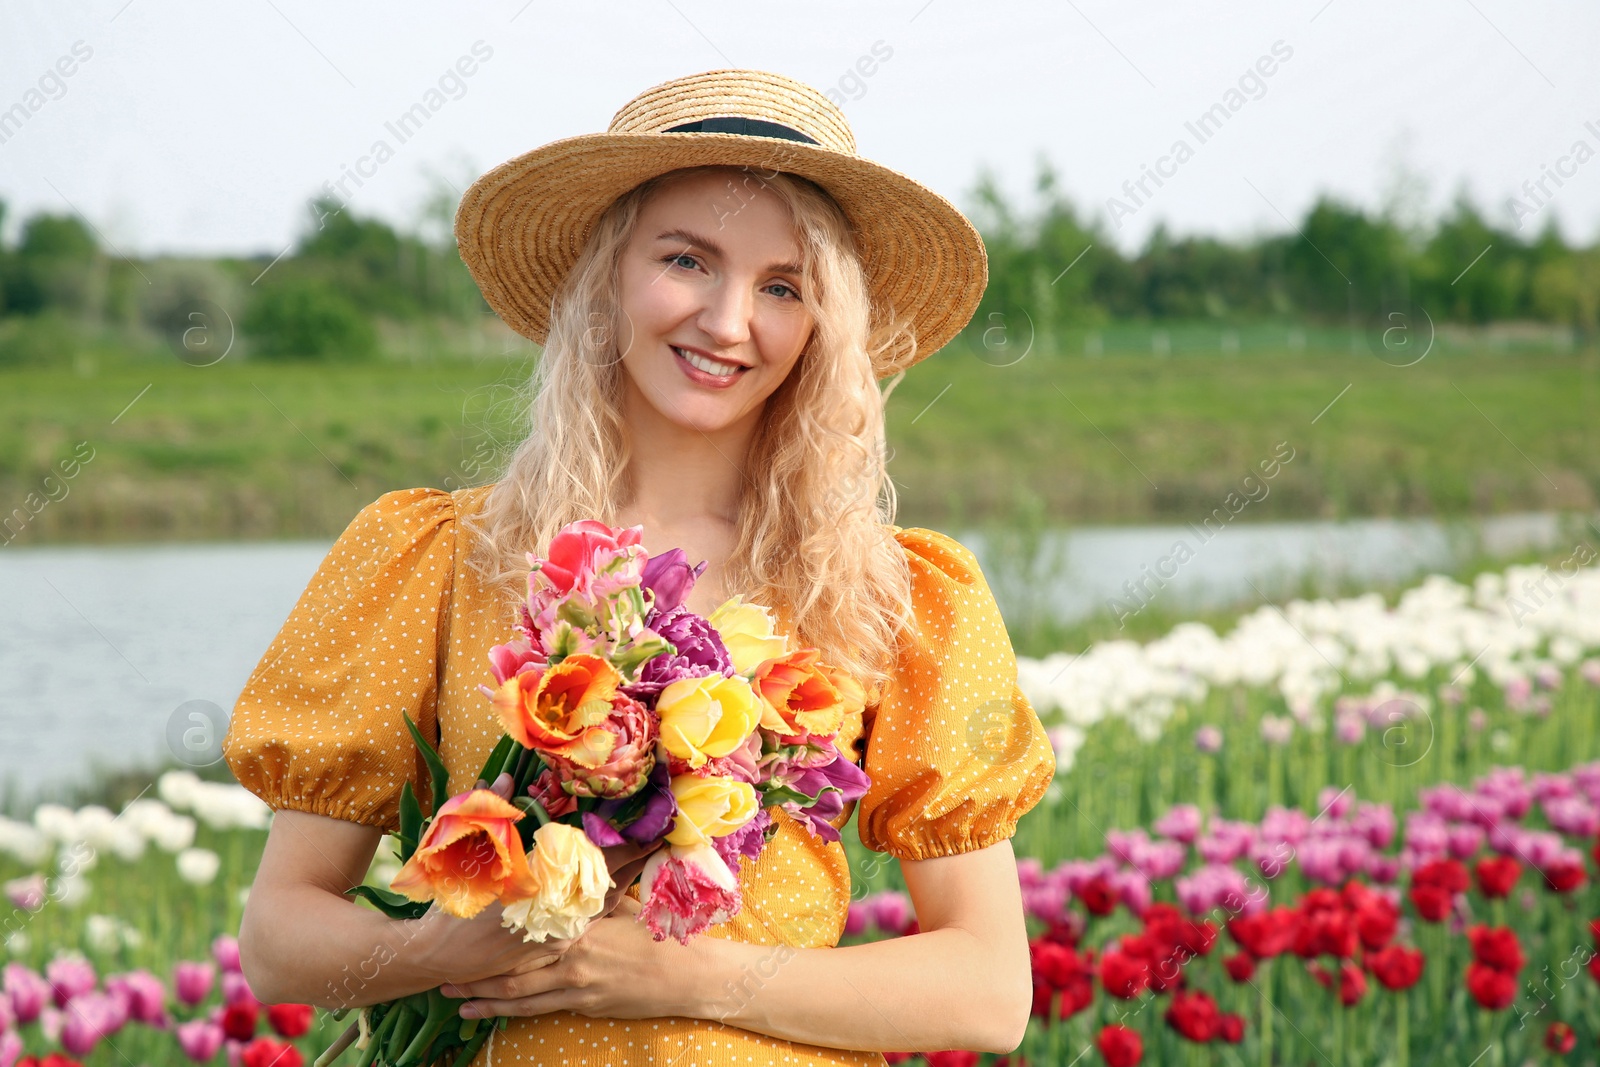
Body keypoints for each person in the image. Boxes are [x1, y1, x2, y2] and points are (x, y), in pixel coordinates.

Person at [222, 68, 1056, 1064]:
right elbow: (278, 939)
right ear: (606, 272)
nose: (728, 320)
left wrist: (692, 973)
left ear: (822, 325)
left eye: (781, 286)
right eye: (687, 261)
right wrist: (443, 944)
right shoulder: (446, 559)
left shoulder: (888, 592)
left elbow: (988, 990)